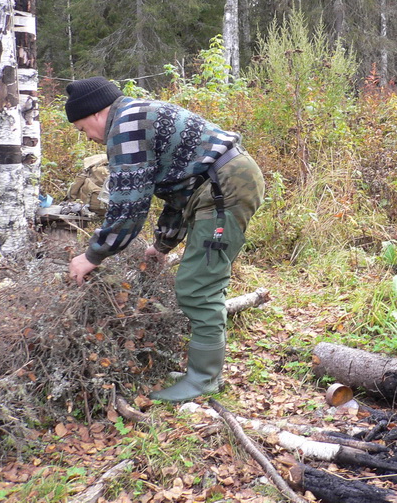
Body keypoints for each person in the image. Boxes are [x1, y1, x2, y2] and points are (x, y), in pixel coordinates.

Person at [65, 76, 265, 403]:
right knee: (203, 281)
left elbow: (129, 205)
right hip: (218, 185)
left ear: (97, 113)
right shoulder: (134, 116)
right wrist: (161, 247)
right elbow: (178, 189)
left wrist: (92, 256)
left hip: (224, 187)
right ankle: (203, 373)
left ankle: (203, 381)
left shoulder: (125, 125)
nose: (87, 137)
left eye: (82, 128)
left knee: (198, 286)